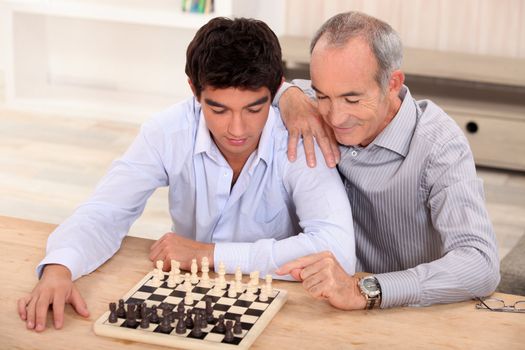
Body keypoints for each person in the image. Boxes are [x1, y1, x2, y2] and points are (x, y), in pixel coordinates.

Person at [18, 17, 355, 331]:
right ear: (194, 90)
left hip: (283, 306)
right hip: (189, 298)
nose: (237, 129)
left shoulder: (299, 137)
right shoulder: (167, 132)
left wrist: (207, 253)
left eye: (254, 108)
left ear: (275, 91)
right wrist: (59, 268)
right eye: (217, 108)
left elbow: (337, 252)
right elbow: (106, 211)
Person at [274, 11, 499, 310]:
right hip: (318, 304)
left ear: (392, 83)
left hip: (404, 312)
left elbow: (480, 263)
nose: (336, 117)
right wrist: (287, 94)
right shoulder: (309, 104)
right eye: (323, 96)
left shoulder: (440, 146)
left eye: (352, 100)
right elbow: (264, 86)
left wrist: (365, 290)